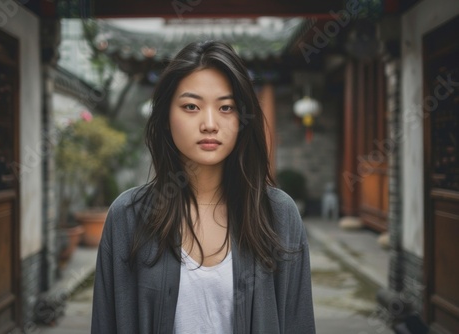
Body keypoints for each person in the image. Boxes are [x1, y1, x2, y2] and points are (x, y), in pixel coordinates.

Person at [91, 40, 315, 334]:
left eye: (226, 107)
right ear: (166, 116)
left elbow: (298, 324)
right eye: (191, 106)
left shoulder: (278, 214)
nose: (209, 124)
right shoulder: (129, 216)